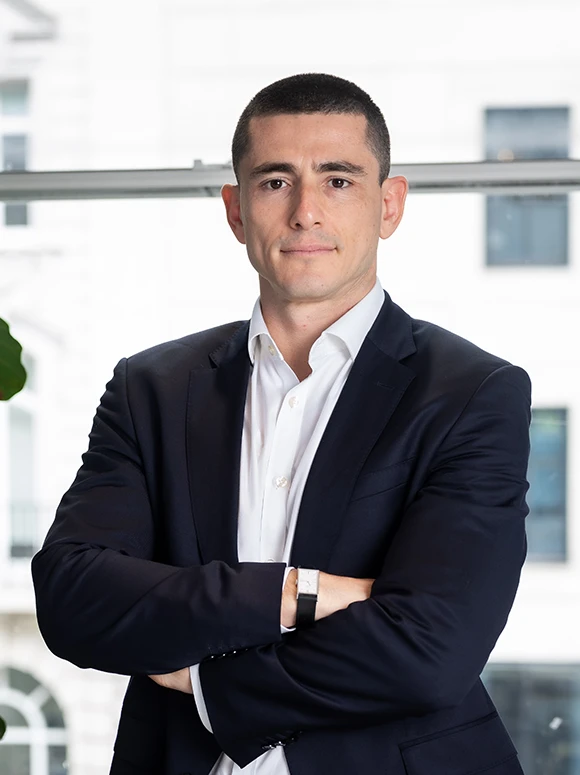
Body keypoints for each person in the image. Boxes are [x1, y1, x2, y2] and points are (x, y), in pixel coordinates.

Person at [32, 73, 531, 775]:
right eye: (275, 182)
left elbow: (430, 652)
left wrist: (209, 682)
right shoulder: (151, 387)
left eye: (338, 181)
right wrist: (301, 594)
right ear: (236, 210)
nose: (304, 212)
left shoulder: (471, 392)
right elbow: (74, 598)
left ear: (389, 204)